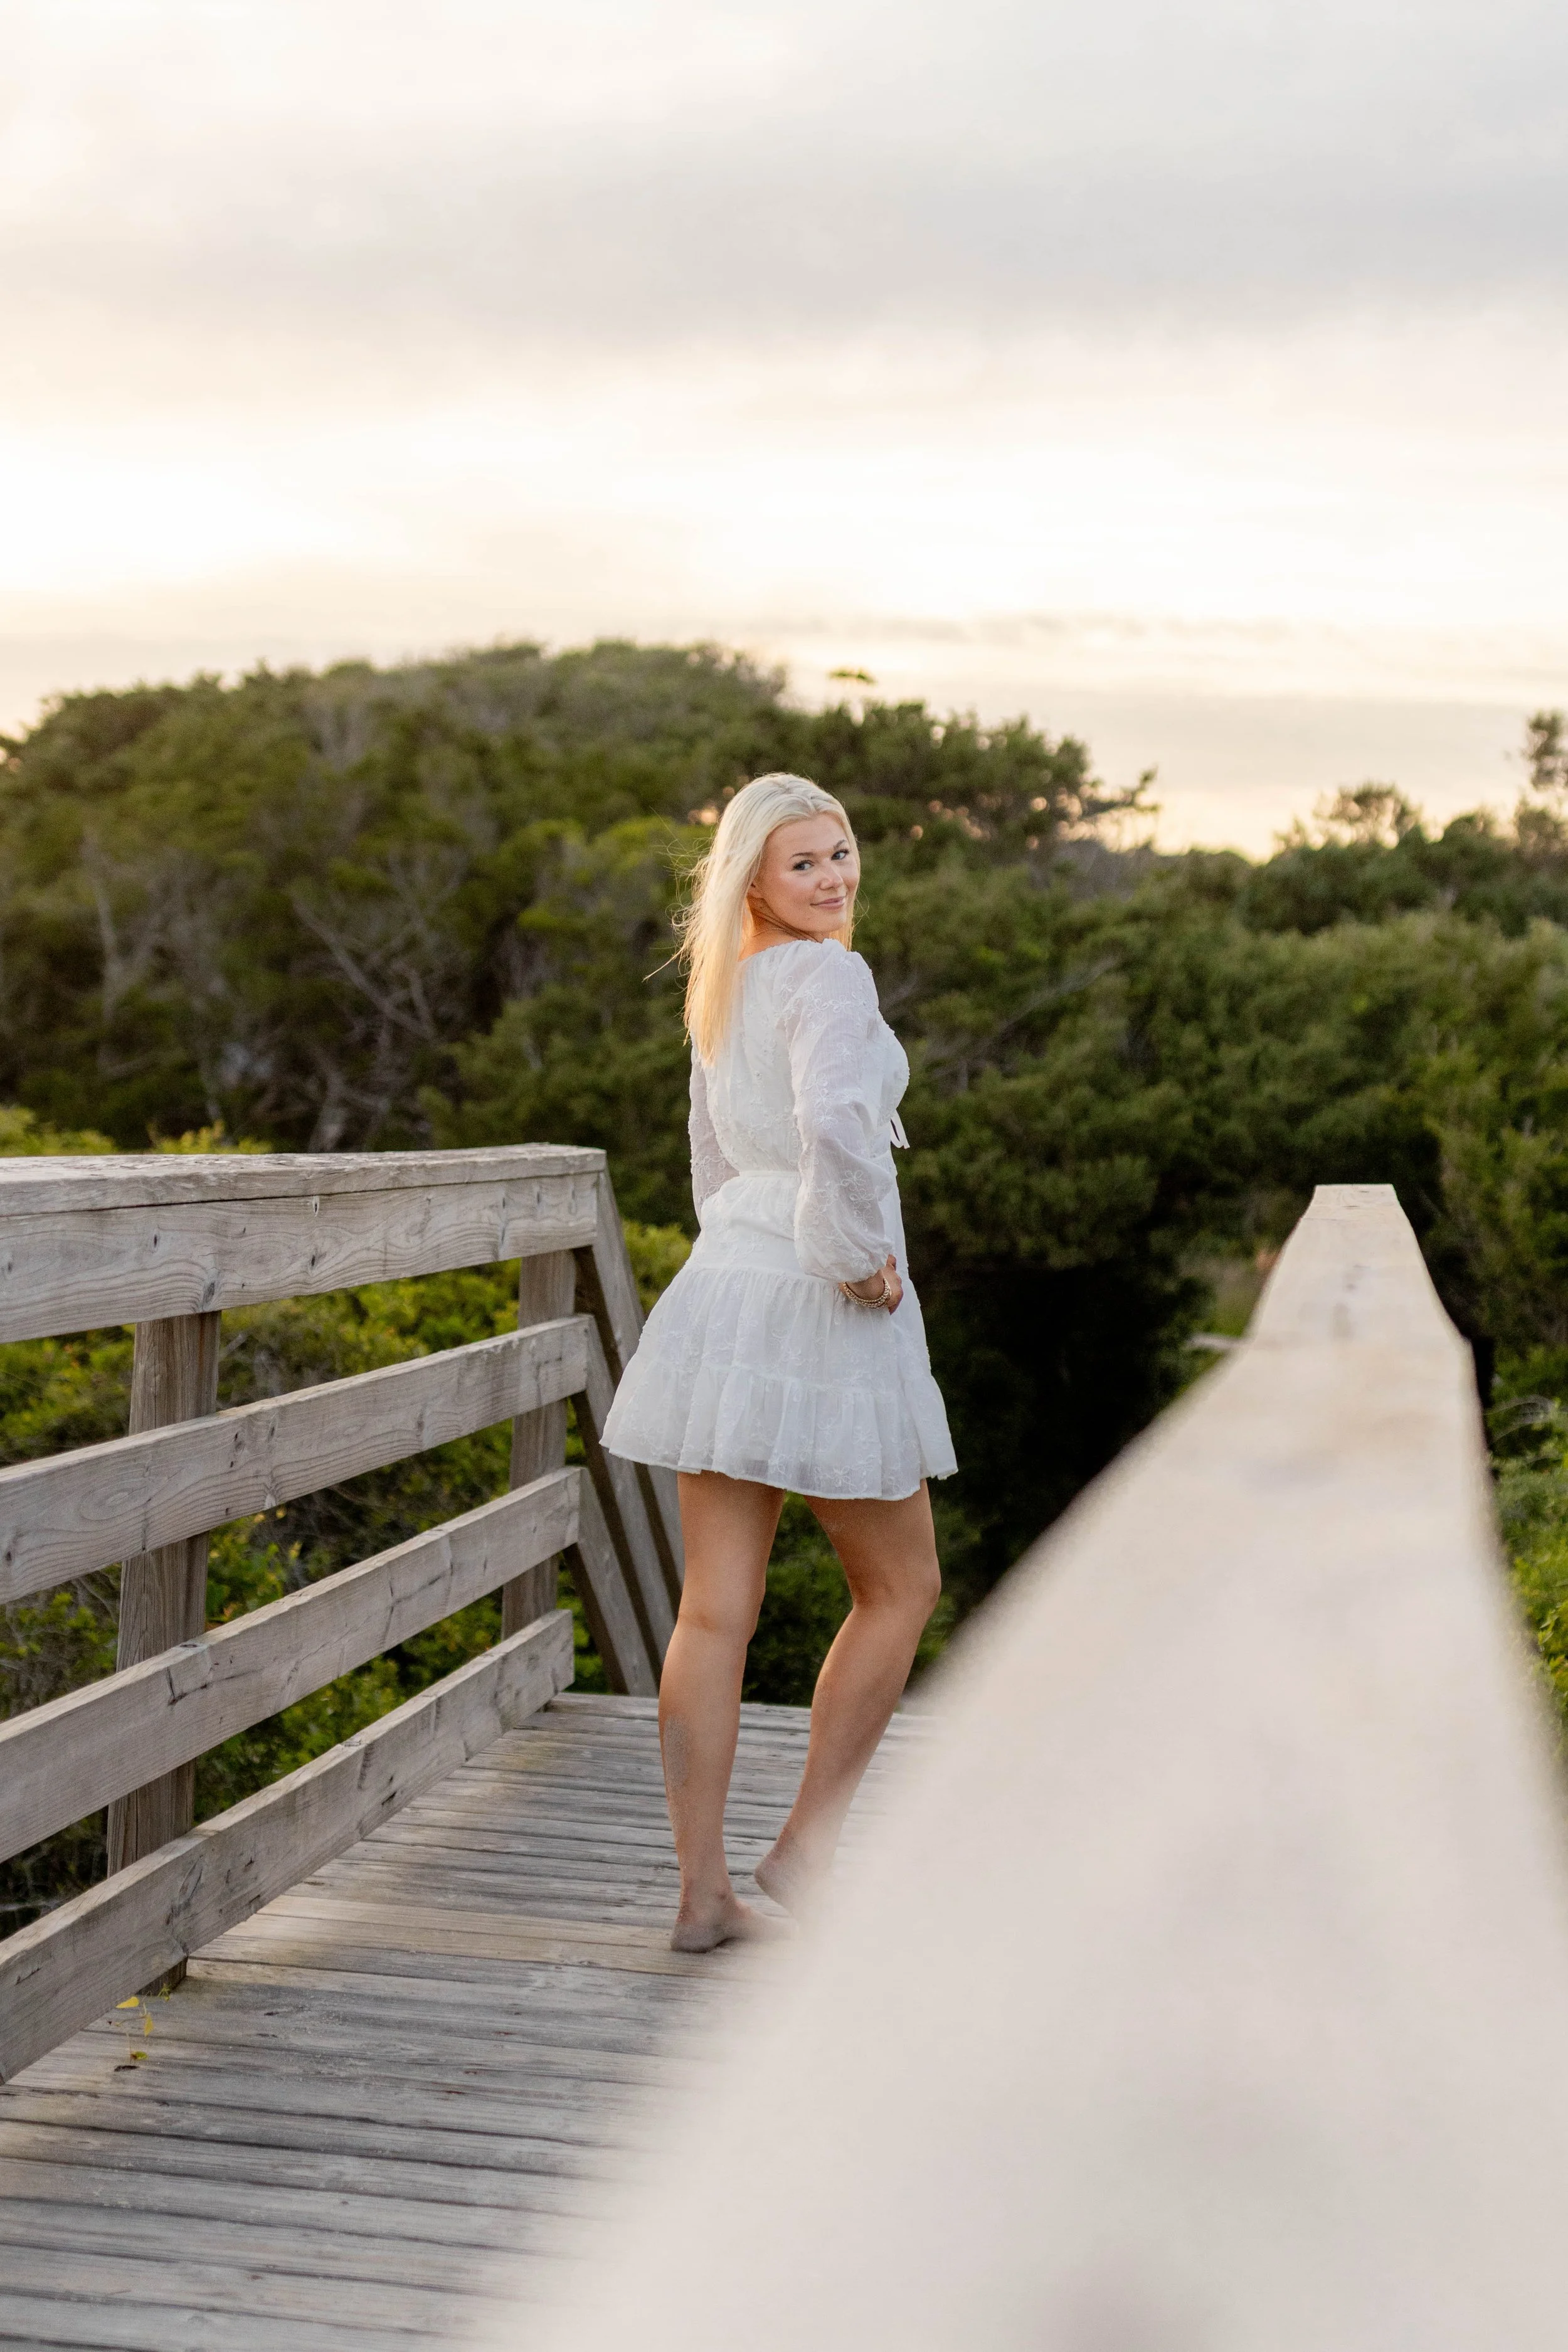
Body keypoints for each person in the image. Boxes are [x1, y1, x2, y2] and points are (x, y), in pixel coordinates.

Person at [602, 771, 956, 1951]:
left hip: (727, 1290)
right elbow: (838, 1128)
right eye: (804, 861)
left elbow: (714, 1161)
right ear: (753, 875)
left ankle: (703, 1895)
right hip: (816, 1294)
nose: (834, 876)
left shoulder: (726, 987)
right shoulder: (826, 974)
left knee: (716, 1610)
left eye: (843, 851)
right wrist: (856, 1257)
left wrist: (741, 1262)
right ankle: (807, 1844)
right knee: (900, 1587)